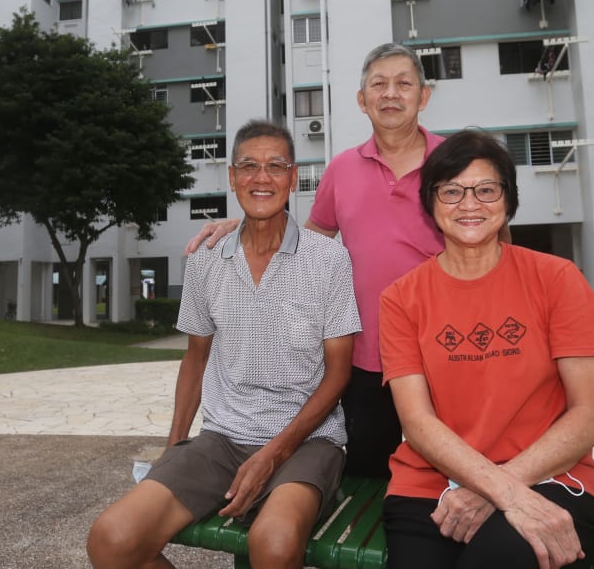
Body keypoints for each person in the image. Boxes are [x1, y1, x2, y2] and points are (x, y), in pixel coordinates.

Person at [186, 42, 502, 478]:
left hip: (451, 352)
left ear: (424, 96)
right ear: (362, 100)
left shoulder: (456, 164)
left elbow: (495, 239)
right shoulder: (341, 170)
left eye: (404, 84)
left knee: (461, 474)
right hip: (366, 357)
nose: (391, 94)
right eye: (379, 84)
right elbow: (306, 243)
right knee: (369, 480)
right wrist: (245, 223)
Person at [87, 120, 361, 569]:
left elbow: (339, 373)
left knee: (271, 545)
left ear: (293, 178)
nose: (262, 177)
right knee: (111, 540)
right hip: (222, 440)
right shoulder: (206, 259)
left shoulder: (328, 259)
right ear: (232, 177)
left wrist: (273, 455)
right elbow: (195, 360)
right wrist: (174, 448)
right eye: (249, 166)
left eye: (276, 166)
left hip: (307, 441)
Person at [378, 129, 594, 569]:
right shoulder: (401, 297)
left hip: (551, 477)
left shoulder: (556, 278)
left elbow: (592, 414)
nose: (469, 204)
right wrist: (499, 491)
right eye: (451, 191)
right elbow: (417, 422)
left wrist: (498, 488)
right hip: (430, 486)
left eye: (486, 190)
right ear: (429, 203)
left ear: (508, 200)